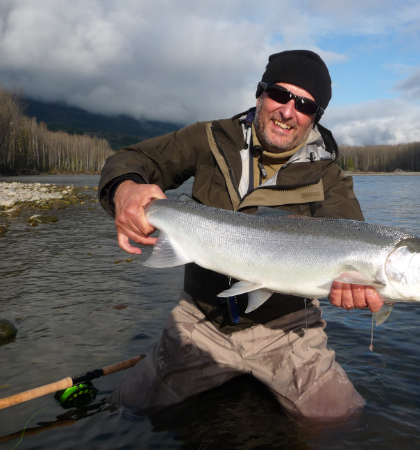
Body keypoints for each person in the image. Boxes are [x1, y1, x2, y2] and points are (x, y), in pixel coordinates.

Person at [98, 50, 383, 421]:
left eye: (305, 105)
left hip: (290, 331)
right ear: (261, 93)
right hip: (200, 320)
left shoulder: (329, 178)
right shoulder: (208, 138)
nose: (287, 111)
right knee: (128, 410)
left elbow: (351, 232)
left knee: (343, 421)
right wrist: (124, 191)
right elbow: (131, 161)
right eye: (279, 94)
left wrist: (356, 281)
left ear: (315, 117)